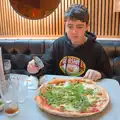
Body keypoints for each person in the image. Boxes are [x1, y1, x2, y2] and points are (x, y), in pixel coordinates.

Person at [27, 4, 112, 81]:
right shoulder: (58, 44)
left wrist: (99, 74)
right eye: (70, 26)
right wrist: (35, 68)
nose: (74, 32)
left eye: (79, 27)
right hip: (60, 89)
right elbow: (44, 67)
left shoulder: (96, 48)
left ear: (86, 27)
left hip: (87, 92)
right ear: (65, 25)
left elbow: (108, 75)